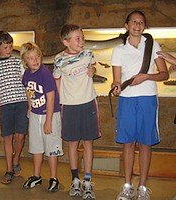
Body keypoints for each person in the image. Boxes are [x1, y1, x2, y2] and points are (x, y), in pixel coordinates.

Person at [110, 10, 169, 200]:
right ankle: (127, 186)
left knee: (145, 143)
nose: (137, 25)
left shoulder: (152, 45)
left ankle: (142, 187)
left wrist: (146, 77)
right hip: (127, 99)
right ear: (126, 25)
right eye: (134, 21)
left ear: (145, 26)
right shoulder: (119, 50)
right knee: (128, 143)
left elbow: (164, 74)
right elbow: (116, 79)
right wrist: (116, 87)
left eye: (141, 22)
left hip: (147, 98)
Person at [53, 24, 101, 199]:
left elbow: (94, 69)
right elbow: (57, 79)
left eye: (82, 37)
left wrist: (93, 70)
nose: (82, 41)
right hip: (70, 105)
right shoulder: (59, 60)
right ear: (66, 42)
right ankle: (75, 180)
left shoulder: (88, 54)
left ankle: (87, 181)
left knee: (88, 143)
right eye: (78, 38)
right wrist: (59, 102)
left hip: (88, 103)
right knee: (72, 144)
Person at [21, 42, 63, 192]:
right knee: (36, 147)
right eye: (31, 58)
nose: (35, 60)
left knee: (51, 148)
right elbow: (28, 90)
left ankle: (53, 177)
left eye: (37, 56)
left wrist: (48, 121)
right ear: (25, 61)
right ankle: (36, 175)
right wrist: (30, 106)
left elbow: (51, 98)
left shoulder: (45, 73)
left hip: (49, 114)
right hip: (35, 114)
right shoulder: (26, 74)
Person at [0, 31, 28, 184]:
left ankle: (16, 160)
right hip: (6, 105)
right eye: (6, 47)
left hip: (21, 103)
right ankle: (8, 170)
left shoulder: (18, 62)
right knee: (8, 138)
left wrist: (30, 103)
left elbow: (25, 81)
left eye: (10, 46)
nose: (9, 49)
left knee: (20, 136)